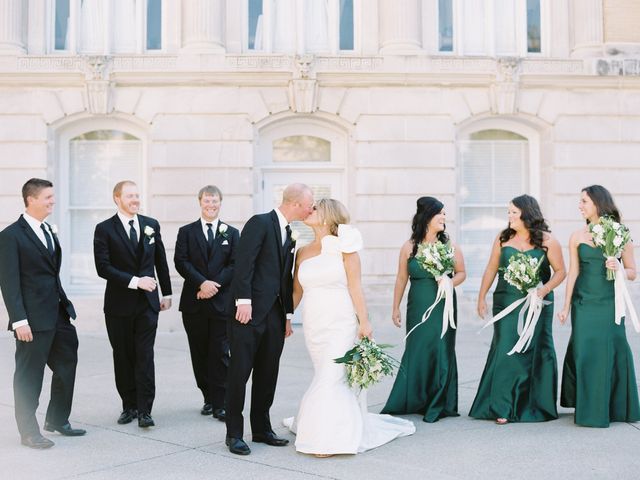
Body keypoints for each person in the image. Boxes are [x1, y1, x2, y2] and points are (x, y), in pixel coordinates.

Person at [283, 198, 415, 456]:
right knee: (324, 373)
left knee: (331, 376)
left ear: (328, 216)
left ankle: (328, 439)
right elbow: (296, 291)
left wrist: (364, 322)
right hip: (314, 323)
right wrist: (285, 317)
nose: (310, 210)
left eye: (316, 208)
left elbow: (355, 287)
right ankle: (323, 426)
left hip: (340, 320)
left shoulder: (346, 248)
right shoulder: (302, 251)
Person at [225, 183, 314, 455]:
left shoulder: (293, 232)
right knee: (239, 374)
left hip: (275, 316)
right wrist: (243, 301)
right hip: (248, 314)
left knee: (267, 374)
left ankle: (262, 429)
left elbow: (285, 278)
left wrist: (287, 314)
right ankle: (234, 435)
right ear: (296, 203)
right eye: (309, 205)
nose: (312, 209)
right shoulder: (259, 223)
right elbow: (244, 263)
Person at [0, 178, 85, 449]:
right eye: (48, 197)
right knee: (29, 376)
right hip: (31, 320)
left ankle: (57, 420)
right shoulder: (11, 236)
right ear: (31, 199)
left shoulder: (48, 230)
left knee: (66, 365)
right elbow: (9, 281)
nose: (53, 201)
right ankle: (28, 432)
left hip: (58, 314)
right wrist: (19, 320)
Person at [470, 194, 566, 424]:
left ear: (526, 213)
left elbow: (561, 271)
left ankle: (535, 405)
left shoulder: (548, 241)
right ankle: (502, 406)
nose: (509, 216)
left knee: (535, 350)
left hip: (537, 303)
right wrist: (481, 296)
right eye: (509, 212)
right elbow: (491, 268)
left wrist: (543, 290)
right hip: (506, 302)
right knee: (506, 348)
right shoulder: (503, 239)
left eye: (513, 212)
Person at [558, 185, 639, 427]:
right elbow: (573, 272)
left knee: (610, 349)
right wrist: (565, 306)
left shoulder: (621, 232)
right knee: (585, 351)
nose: (580, 205)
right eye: (580, 201)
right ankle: (587, 406)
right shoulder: (576, 236)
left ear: (597, 203)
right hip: (583, 303)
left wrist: (620, 267)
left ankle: (613, 407)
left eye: (584, 201)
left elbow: (634, 272)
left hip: (609, 303)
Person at [93, 180, 172, 428]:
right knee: (123, 356)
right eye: (130, 196)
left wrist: (167, 293)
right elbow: (103, 267)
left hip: (148, 305)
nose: (135, 200)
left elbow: (160, 260)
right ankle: (129, 405)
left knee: (145, 356)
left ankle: (145, 410)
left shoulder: (151, 225)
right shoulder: (104, 229)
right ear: (117, 198)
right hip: (119, 305)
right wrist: (136, 281)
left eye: (137, 195)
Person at [381, 196, 466, 422]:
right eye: (441, 213)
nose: (444, 217)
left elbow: (461, 273)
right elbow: (401, 278)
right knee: (418, 348)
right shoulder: (409, 247)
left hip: (443, 305)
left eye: (445, 214)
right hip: (417, 303)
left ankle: (439, 402)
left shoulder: (450, 246)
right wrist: (395, 307)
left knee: (440, 348)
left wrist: (448, 282)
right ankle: (414, 398)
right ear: (427, 217)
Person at [174, 185, 239, 421]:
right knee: (199, 353)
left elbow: (234, 264)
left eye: (215, 202)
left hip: (221, 303)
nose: (211, 206)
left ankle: (221, 402)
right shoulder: (186, 232)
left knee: (220, 353)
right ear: (200, 202)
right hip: (194, 304)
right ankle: (208, 398)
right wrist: (201, 283)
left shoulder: (231, 233)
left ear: (220, 203)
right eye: (207, 201)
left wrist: (212, 286)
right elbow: (181, 261)